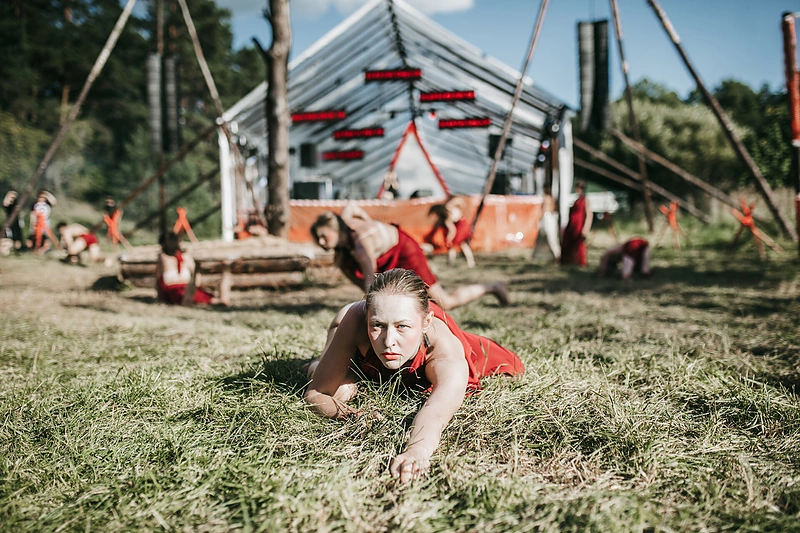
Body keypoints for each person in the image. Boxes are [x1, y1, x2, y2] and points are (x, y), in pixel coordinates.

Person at [304, 268, 524, 483]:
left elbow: (436, 411)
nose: (389, 341)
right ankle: (316, 364)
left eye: (402, 327)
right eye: (377, 325)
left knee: (511, 365)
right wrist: (353, 415)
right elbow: (316, 393)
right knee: (341, 390)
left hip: (439, 349)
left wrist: (416, 451)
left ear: (426, 323)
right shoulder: (355, 320)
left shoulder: (446, 351)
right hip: (352, 338)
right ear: (366, 318)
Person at [310, 203, 509, 310]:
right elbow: (352, 205)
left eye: (323, 236)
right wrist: (370, 221)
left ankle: (492, 287)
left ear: (336, 230)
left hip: (404, 250)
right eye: (317, 238)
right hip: (384, 256)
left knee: (444, 302)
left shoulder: (362, 245)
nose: (321, 242)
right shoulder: (343, 222)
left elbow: (370, 285)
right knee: (342, 260)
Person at [155, 232, 230, 306]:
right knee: (212, 300)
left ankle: (225, 272)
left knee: (187, 299)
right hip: (186, 289)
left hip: (176, 291)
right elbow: (195, 275)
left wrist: (160, 296)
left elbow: (158, 278)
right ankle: (226, 271)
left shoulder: (163, 256)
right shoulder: (186, 256)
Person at [424, 196, 475, 268]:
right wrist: (461, 202)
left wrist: (449, 239)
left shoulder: (447, 218)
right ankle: (468, 263)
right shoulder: (447, 209)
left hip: (461, 226)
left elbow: (452, 230)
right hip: (462, 224)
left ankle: (451, 263)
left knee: (453, 245)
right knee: (461, 245)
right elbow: (455, 201)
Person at [559, 180, 592, 266]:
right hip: (572, 225)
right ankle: (568, 261)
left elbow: (588, 214)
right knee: (567, 243)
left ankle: (580, 262)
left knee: (579, 244)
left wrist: (586, 227)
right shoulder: (577, 200)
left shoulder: (585, 201)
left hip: (579, 225)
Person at [540, 185, 560, 261]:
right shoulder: (551, 198)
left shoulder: (547, 198)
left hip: (548, 218)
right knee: (544, 238)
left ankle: (557, 255)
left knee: (552, 238)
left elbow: (545, 210)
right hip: (549, 218)